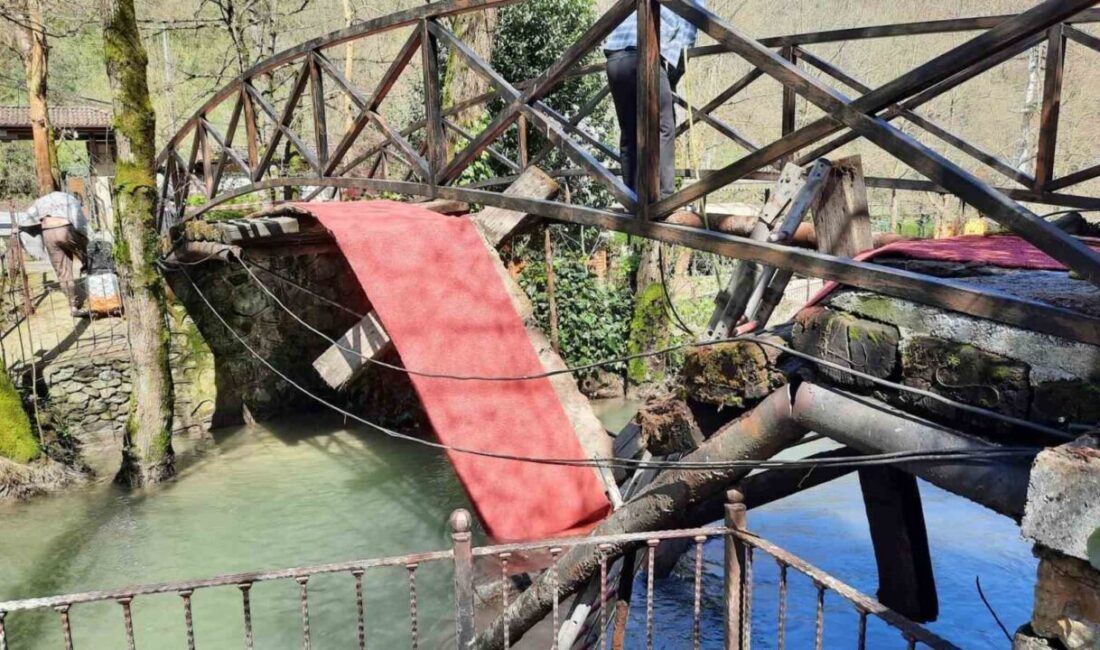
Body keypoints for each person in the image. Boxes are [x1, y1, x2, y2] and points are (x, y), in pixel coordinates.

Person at [604, 3, 702, 205]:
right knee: (664, 127)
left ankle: (631, 197)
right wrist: (672, 76)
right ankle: (664, 197)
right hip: (645, 58)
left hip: (615, 59)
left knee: (629, 130)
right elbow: (689, 30)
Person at [21, 191, 89, 317]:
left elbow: (26, 218)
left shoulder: (41, 200)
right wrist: (87, 238)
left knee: (62, 271)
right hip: (65, 228)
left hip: (48, 233)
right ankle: (90, 271)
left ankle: (73, 306)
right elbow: (79, 223)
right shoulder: (70, 199)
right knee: (88, 253)